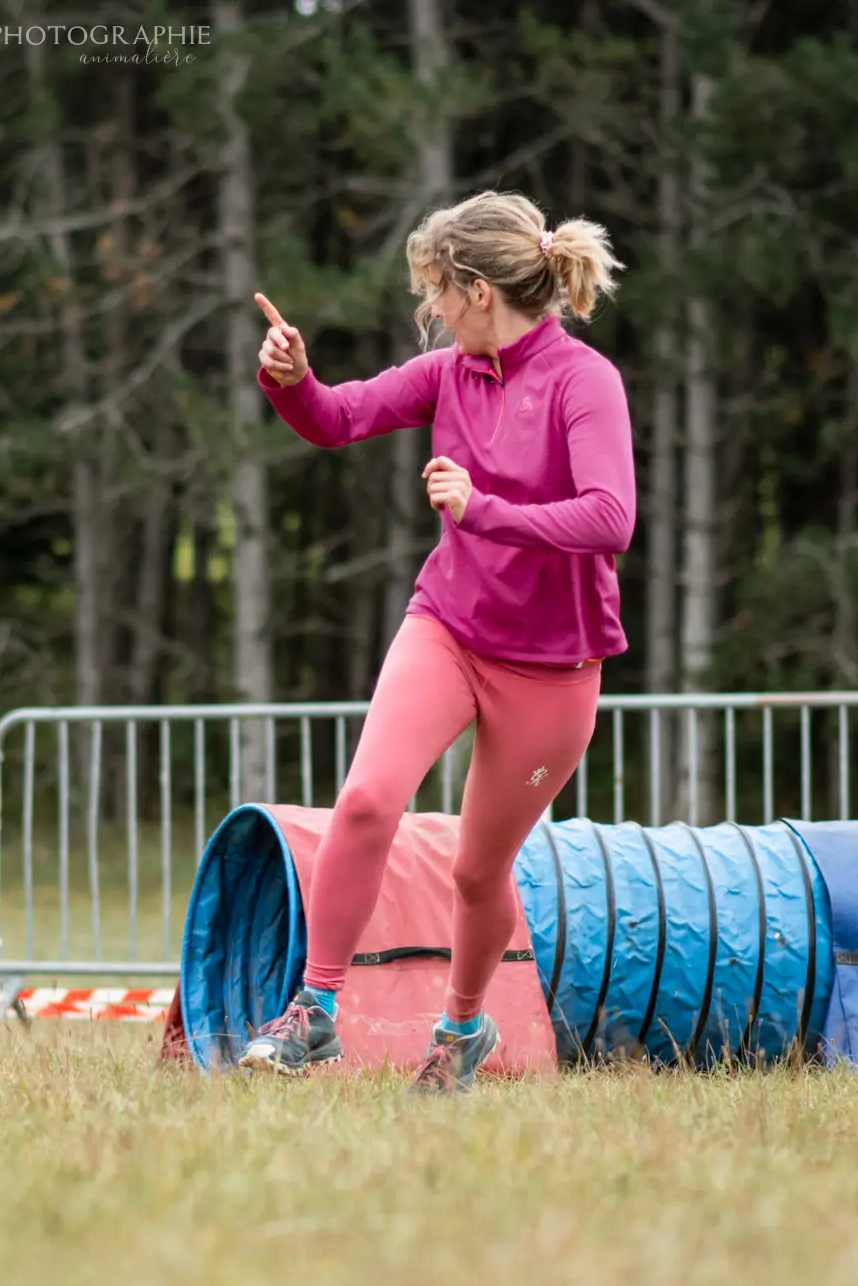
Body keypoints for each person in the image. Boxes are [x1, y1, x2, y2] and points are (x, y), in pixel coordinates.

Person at [240, 190, 634, 1093]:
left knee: (475, 870)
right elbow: (336, 418)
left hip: (553, 668)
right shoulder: (450, 372)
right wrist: (292, 377)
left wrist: (483, 509)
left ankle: (461, 1028)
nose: (432, 310)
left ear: (479, 291)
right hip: (449, 626)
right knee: (370, 797)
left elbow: (612, 518)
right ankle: (315, 1011)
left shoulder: (585, 382)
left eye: (438, 292)